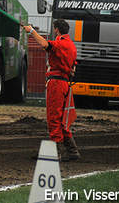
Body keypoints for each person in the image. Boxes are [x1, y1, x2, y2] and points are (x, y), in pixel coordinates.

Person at [22, 20, 81, 162]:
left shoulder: (60, 43)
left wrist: (31, 31)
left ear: (56, 30)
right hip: (65, 83)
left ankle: (55, 153)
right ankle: (72, 150)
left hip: (56, 83)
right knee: (61, 119)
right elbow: (73, 66)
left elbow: (44, 44)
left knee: (54, 117)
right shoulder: (71, 45)